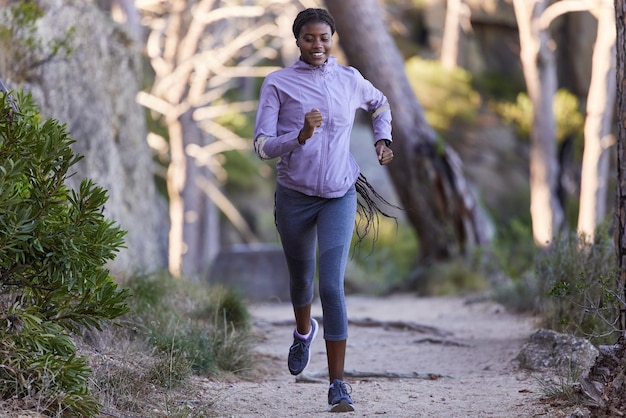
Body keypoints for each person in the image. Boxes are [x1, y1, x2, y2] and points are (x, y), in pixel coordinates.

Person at [253, 7, 394, 413]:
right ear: (297, 40)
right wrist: (299, 135)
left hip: (339, 194)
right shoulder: (278, 84)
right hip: (294, 197)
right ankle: (302, 332)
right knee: (301, 281)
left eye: (324, 38)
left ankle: (338, 385)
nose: (317, 45)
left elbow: (380, 104)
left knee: (331, 287)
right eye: (309, 38)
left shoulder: (349, 79)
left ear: (333, 39)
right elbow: (262, 146)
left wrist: (383, 141)